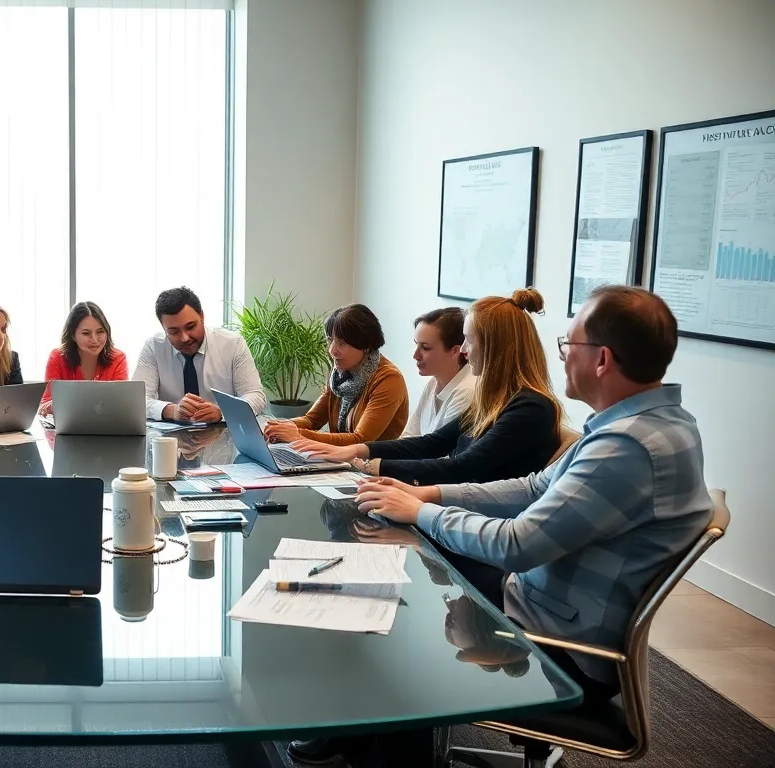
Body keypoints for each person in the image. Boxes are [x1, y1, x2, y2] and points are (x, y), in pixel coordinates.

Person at [353, 285, 710, 704]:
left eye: (569, 344)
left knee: (397, 617)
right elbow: (534, 486)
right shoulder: (653, 424)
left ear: (602, 360)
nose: (562, 355)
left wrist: (420, 512)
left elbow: (515, 545)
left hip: (557, 643)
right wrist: (431, 496)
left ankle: (387, 718)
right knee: (402, 560)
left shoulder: (625, 447)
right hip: (546, 605)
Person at [292, 289, 563, 487]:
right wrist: (358, 451)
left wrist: (371, 464)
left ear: (496, 348)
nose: (464, 351)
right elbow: (433, 443)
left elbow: (462, 467)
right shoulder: (496, 399)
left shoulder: (530, 408)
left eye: (468, 340)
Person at [263, 304, 408, 446]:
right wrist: (278, 427)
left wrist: (297, 435)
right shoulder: (339, 375)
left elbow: (360, 440)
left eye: (341, 343)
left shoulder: (389, 379)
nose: (332, 351)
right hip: (337, 457)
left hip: (373, 461)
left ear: (366, 345)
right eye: (329, 340)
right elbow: (312, 420)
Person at [133, 286, 265, 422]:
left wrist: (223, 412)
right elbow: (137, 401)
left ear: (202, 316)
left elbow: (255, 396)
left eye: (190, 327)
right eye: (174, 332)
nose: (185, 338)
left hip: (223, 430)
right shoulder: (154, 348)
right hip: (170, 433)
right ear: (164, 328)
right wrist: (172, 410)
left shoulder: (232, 344)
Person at [39, 301, 129, 416]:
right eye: (86, 333)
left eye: (100, 332)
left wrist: (67, 402)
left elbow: (120, 404)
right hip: (68, 424)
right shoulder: (57, 357)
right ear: (73, 335)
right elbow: (45, 405)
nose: (95, 339)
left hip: (106, 423)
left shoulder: (118, 358)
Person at [403, 307, 477, 437]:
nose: (415, 355)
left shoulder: (467, 391)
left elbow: (439, 447)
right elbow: (409, 435)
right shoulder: (432, 383)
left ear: (455, 351)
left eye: (425, 348)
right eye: (416, 344)